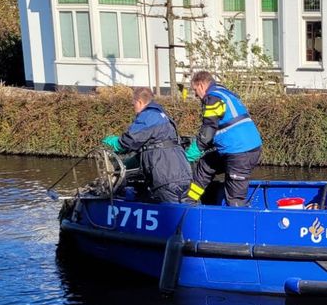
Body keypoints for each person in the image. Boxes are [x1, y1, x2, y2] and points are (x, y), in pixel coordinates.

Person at [184, 70, 263, 206]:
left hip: (240, 152)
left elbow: (208, 131)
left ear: (202, 86)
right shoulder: (225, 94)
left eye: (195, 91)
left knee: (234, 198)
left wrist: (190, 155)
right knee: (206, 165)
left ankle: (239, 221)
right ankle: (188, 202)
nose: (196, 95)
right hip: (240, 148)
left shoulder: (212, 98)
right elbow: (222, 128)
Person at [102, 87, 191, 203]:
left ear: (139, 102)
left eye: (133, 104)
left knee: (173, 213)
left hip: (166, 177)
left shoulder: (148, 116)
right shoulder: (162, 115)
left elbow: (128, 141)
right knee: (186, 207)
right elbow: (152, 148)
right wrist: (124, 165)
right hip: (182, 172)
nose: (133, 108)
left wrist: (113, 142)